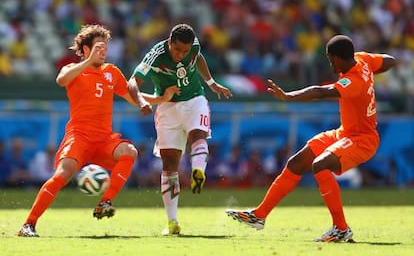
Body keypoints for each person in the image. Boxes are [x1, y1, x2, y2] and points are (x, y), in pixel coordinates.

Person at [225, 35, 396, 242]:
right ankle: (259, 215)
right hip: (344, 133)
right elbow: (389, 60)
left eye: (330, 59)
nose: (330, 63)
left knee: (320, 164)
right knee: (297, 162)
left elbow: (321, 92)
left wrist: (289, 97)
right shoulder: (362, 59)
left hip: (362, 139)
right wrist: (374, 70)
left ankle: (341, 229)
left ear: (337, 58)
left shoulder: (354, 80)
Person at [17, 24, 175, 237]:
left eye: (105, 48)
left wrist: (160, 99)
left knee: (130, 152)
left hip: (104, 140)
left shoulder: (111, 72)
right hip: (79, 136)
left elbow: (132, 98)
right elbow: (61, 79)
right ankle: (28, 224)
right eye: (98, 47)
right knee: (62, 175)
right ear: (84, 49)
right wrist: (89, 62)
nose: (103, 52)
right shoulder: (73, 70)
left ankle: (105, 201)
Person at [128, 23, 232, 235]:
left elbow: (198, 56)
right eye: (177, 50)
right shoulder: (156, 54)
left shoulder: (193, 45)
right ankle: (172, 221)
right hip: (168, 108)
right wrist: (143, 101)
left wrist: (210, 82)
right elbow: (132, 83)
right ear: (169, 42)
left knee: (198, 135)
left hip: (195, 99)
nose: (181, 55)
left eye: (185, 51)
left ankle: (198, 171)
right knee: (170, 164)